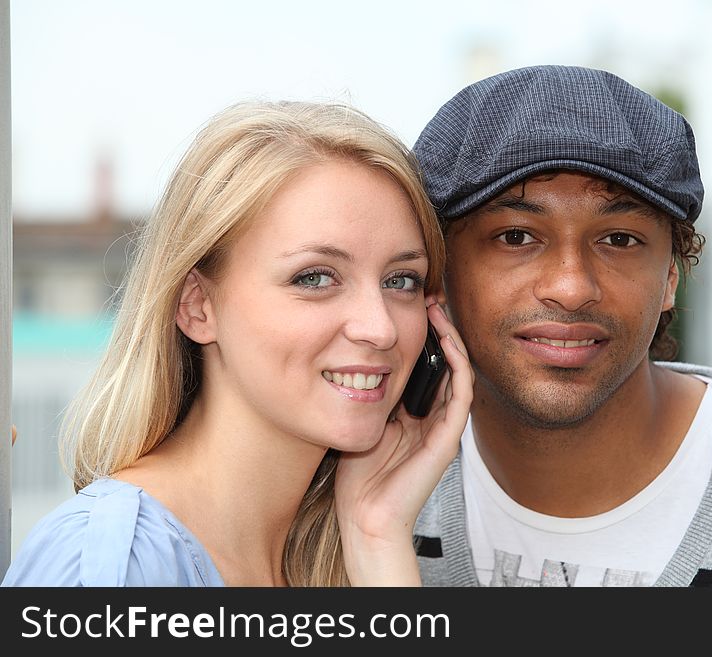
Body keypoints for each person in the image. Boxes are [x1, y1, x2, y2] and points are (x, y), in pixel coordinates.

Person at [410, 65, 712, 587]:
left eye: (618, 239)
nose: (571, 287)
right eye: (517, 236)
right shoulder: (362, 501)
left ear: (671, 277)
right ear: (438, 271)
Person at [1, 100, 472, 587]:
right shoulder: (114, 565)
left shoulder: (335, 555)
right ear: (197, 306)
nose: (380, 328)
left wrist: (378, 537)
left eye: (402, 281)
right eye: (315, 277)